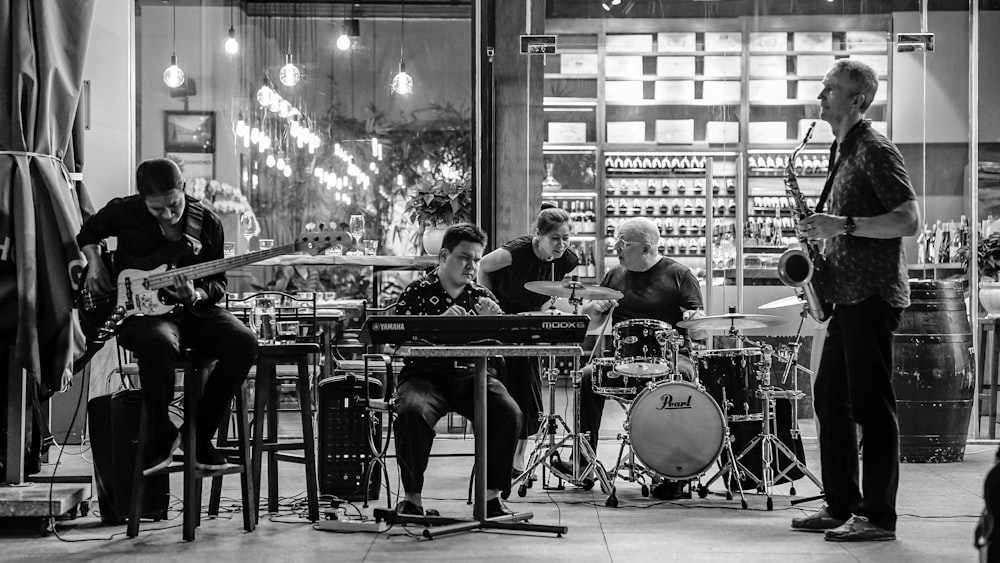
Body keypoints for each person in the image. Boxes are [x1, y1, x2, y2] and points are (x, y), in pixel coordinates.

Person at [790, 59, 919, 542]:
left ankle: (878, 515)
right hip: (846, 294)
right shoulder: (841, 148)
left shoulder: (874, 148)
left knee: (872, 406)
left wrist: (839, 225)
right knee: (829, 399)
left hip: (872, 294)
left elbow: (909, 220)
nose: (820, 95)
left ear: (857, 100)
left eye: (829, 89)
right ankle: (841, 502)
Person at [77, 158, 258, 475]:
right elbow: (88, 232)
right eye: (157, 209)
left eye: (173, 205)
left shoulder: (207, 224)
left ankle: (197, 437)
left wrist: (197, 294)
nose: (168, 214)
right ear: (142, 198)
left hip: (190, 311)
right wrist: (94, 262)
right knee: (158, 340)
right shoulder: (124, 210)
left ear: (183, 189)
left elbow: (218, 284)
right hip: (139, 314)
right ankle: (160, 436)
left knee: (243, 341)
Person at [392, 223, 521, 518]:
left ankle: (490, 497)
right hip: (424, 376)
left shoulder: (481, 296)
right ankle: (412, 499)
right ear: (444, 255)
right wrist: (439, 324)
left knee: (508, 411)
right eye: (464, 257)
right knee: (411, 411)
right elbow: (398, 342)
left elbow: (498, 353)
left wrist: (492, 324)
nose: (472, 266)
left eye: (476, 259)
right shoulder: (416, 292)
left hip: (470, 375)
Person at [579, 217, 706, 499]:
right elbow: (594, 322)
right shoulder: (614, 276)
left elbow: (698, 331)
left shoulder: (680, 275)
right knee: (587, 378)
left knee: (681, 381)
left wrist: (693, 319)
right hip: (622, 360)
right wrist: (595, 307)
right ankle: (583, 463)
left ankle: (675, 471)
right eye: (616, 241)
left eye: (623, 243)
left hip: (672, 359)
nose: (616, 248)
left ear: (646, 247)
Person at [478, 202, 578, 476]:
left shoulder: (567, 260)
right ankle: (503, 454)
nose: (561, 245)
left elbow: (550, 294)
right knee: (506, 385)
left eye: (566, 238)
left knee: (529, 388)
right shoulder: (516, 252)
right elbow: (483, 266)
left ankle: (518, 459)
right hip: (501, 319)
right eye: (555, 238)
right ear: (538, 233)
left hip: (529, 322)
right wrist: (489, 303)